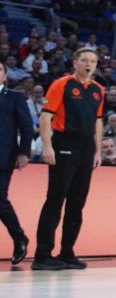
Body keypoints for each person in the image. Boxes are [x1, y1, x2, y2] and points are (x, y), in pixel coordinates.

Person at [33, 48, 104, 270]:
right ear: (75, 63)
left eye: (92, 61)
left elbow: (98, 121)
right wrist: (47, 146)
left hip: (86, 147)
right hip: (64, 143)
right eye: (84, 60)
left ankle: (67, 253)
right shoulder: (61, 84)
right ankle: (42, 255)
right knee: (55, 200)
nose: (89, 64)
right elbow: (46, 116)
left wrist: (98, 151)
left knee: (77, 202)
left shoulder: (98, 89)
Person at [0, 61, 32, 265]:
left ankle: (19, 237)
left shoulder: (14, 97)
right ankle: (20, 238)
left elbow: (26, 126)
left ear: (5, 76)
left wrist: (24, 152)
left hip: (3, 156)